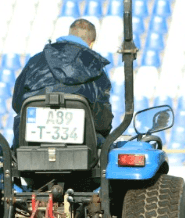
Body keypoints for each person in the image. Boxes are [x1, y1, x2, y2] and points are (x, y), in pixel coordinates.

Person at [11, 18, 113, 146]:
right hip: (83, 149)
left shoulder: (35, 61)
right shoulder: (97, 70)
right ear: (91, 43)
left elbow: (17, 103)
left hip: (30, 145)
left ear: (69, 34)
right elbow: (103, 120)